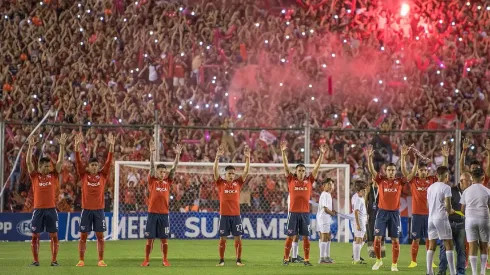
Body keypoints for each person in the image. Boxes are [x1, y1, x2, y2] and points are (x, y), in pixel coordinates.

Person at [281, 141, 328, 266]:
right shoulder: (291, 179)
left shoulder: (309, 180)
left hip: (305, 214)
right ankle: (286, 259)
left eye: (303, 170)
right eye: (299, 170)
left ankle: (306, 260)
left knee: (306, 237)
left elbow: (316, 168)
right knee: (290, 237)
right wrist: (283, 153)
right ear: (296, 172)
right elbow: (286, 167)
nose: (301, 172)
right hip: (293, 213)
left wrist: (321, 155)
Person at [401, 144, 448, 268]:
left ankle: (431, 261)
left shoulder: (432, 180)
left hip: (430, 214)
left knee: (429, 239)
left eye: (425, 170)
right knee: (416, 239)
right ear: (417, 171)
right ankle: (413, 261)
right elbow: (405, 172)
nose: (423, 172)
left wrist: (445, 158)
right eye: (421, 170)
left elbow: (444, 171)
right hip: (416, 214)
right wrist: (403, 157)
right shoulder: (413, 180)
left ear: (428, 171)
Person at [74, 132, 115, 267]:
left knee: (100, 236)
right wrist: (76, 147)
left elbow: (109, 162)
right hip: (86, 210)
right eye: (92, 165)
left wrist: (111, 146)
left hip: (99, 211)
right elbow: (79, 162)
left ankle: (101, 260)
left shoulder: (102, 175)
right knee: (83, 237)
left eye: (96, 165)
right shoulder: (83, 175)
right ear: (88, 167)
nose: (94, 167)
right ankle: (81, 260)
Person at [27, 133, 67, 266]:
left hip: (51, 210)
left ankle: (54, 260)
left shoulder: (53, 175)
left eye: (49, 166)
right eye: (45, 166)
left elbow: (60, 162)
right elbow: (28, 162)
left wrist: (61, 146)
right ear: (40, 167)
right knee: (34, 236)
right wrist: (30, 147)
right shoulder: (35, 176)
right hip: (38, 210)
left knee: (54, 236)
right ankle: (35, 260)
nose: (48, 168)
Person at [141, 140, 183, 267]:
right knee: (150, 239)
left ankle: (165, 260)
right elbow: (151, 167)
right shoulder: (152, 180)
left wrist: (177, 156)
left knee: (164, 239)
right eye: (161, 171)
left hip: (164, 214)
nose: (162, 173)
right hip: (152, 214)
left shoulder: (167, 182)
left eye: (164, 172)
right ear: (157, 172)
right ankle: (146, 260)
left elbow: (174, 168)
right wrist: (152, 153)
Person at [366, 145, 404, 271]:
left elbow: (410, 175)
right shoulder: (380, 180)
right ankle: (378, 261)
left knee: (395, 240)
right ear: (385, 171)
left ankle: (394, 264)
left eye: (393, 170)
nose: (391, 172)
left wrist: (403, 157)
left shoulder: (399, 181)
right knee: (377, 238)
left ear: (395, 171)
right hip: (381, 213)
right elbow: (372, 170)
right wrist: (370, 157)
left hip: (394, 214)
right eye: (389, 170)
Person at [214, 145, 250, 267]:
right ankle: (221, 260)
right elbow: (214, 171)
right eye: (230, 173)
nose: (232, 175)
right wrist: (217, 158)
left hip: (236, 216)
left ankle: (239, 260)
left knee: (238, 239)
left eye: (233, 174)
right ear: (225, 174)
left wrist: (248, 159)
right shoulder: (221, 183)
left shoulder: (237, 183)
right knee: (222, 239)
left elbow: (246, 172)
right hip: (224, 216)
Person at [438, 172, 471, 275]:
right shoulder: (451, 190)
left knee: (461, 249)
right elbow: (443, 205)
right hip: (449, 223)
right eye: (468, 181)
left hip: (462, 224)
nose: (470, 183)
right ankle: (442, 270)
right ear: (461, 181)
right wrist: (449, 210)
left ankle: (460, 272)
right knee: (445, 248)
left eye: (471, 180)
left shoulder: (470, 192)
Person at [426, 166, 457, 275]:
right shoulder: (446, 188)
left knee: (431, 245)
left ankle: (429, 272)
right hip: (441, 218)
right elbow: (448, 207)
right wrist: (450, 210)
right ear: (446, 176)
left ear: (437, 175)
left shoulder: (430, 187)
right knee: (449, 244)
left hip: (431, 218)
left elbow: (427, 205)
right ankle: (453, 272)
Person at [460, 168, 490, 275]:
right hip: (484, 219)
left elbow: (462, 209)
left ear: (472, 178)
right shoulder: (487, 191)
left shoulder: (466, 191)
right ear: (483, 178)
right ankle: (482, 272)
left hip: (470, 220)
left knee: (472, 246)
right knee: (484, 246)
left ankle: (474, 272)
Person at [317, 178, 337, 264]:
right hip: (324, 218)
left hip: (325, 218)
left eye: (332, 184)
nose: (331, 186)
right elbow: (325, 209)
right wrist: (332, 213)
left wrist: (332, 211)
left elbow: (327, 208)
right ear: (324, 186)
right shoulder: (325, 194)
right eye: (328, 184)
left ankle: (327, 257)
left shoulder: (327, 194)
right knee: (324, 237)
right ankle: (322, 258)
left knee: (328, 237)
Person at [352, 180, 368, 265]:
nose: (365, 192)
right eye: (363, 190)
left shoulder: (361, 198)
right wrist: (358, 224)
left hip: (362, 221)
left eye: (365, 190)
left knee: (362, 238)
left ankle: (355, 257)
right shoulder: (358, 199)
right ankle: (356, 260)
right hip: (359, 222)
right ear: (358, 191)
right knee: (359, 239)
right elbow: (356, 212)